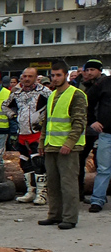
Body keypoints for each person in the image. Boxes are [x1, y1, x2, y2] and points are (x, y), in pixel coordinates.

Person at [38, 60, 88, 230]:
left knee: (68, 184)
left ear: (66, 75)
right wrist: (42, 142)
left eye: (58, 75)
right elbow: (47, 122)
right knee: (52, 184)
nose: (55, 78)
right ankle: (54, 215)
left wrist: (70, 143)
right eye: (53, 75)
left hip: (68, 148)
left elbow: (79, 122)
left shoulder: (76, 94)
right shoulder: (52, 95)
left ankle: (69, 218)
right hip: (51, 145)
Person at [3, 67, 50, 205]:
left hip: (37, 133)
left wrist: (44, 119)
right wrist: (13, 116)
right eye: (24, 76)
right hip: (22, 133)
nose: (27, 79)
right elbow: (4, 106)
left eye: (30, 76)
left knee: (38, 162)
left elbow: (55, 106)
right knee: (24, 162)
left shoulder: (45, 91)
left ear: (36, 78)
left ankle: (42, 193)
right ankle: (30, 191)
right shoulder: (17, 93)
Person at [78, 59, 104, 201]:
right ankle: (79, 192)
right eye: (87, 70)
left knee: (101, 163)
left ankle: (100, 194)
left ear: (99, 70)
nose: (89, 73)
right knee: (80, 161)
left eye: (92, 70)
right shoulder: (82, 85)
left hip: (102, 129)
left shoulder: (104, 84)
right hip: (86, 129)